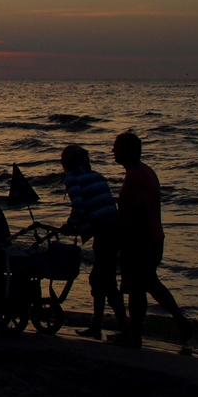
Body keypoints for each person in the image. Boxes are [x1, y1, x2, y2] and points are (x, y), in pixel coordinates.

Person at [112, 130, 193, 352]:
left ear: (126, 152)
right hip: (153, 237)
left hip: (141, 240)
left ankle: (136, 335)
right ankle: (176, 322)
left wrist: (137, 244)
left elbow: (141, 210)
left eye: (116, 147)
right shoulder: (145, 171)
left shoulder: (136, 176)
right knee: (148, 284)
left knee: (139, 289)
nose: (112, 151)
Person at [59, 143, 128, 340]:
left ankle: (125, 328)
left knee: (103, 280)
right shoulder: (96, 176)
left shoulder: (73, 178)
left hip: (104, 232)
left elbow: (79, 207)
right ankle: (97, 327)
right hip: (114, 229)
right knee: (101, 280)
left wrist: (70, 225)